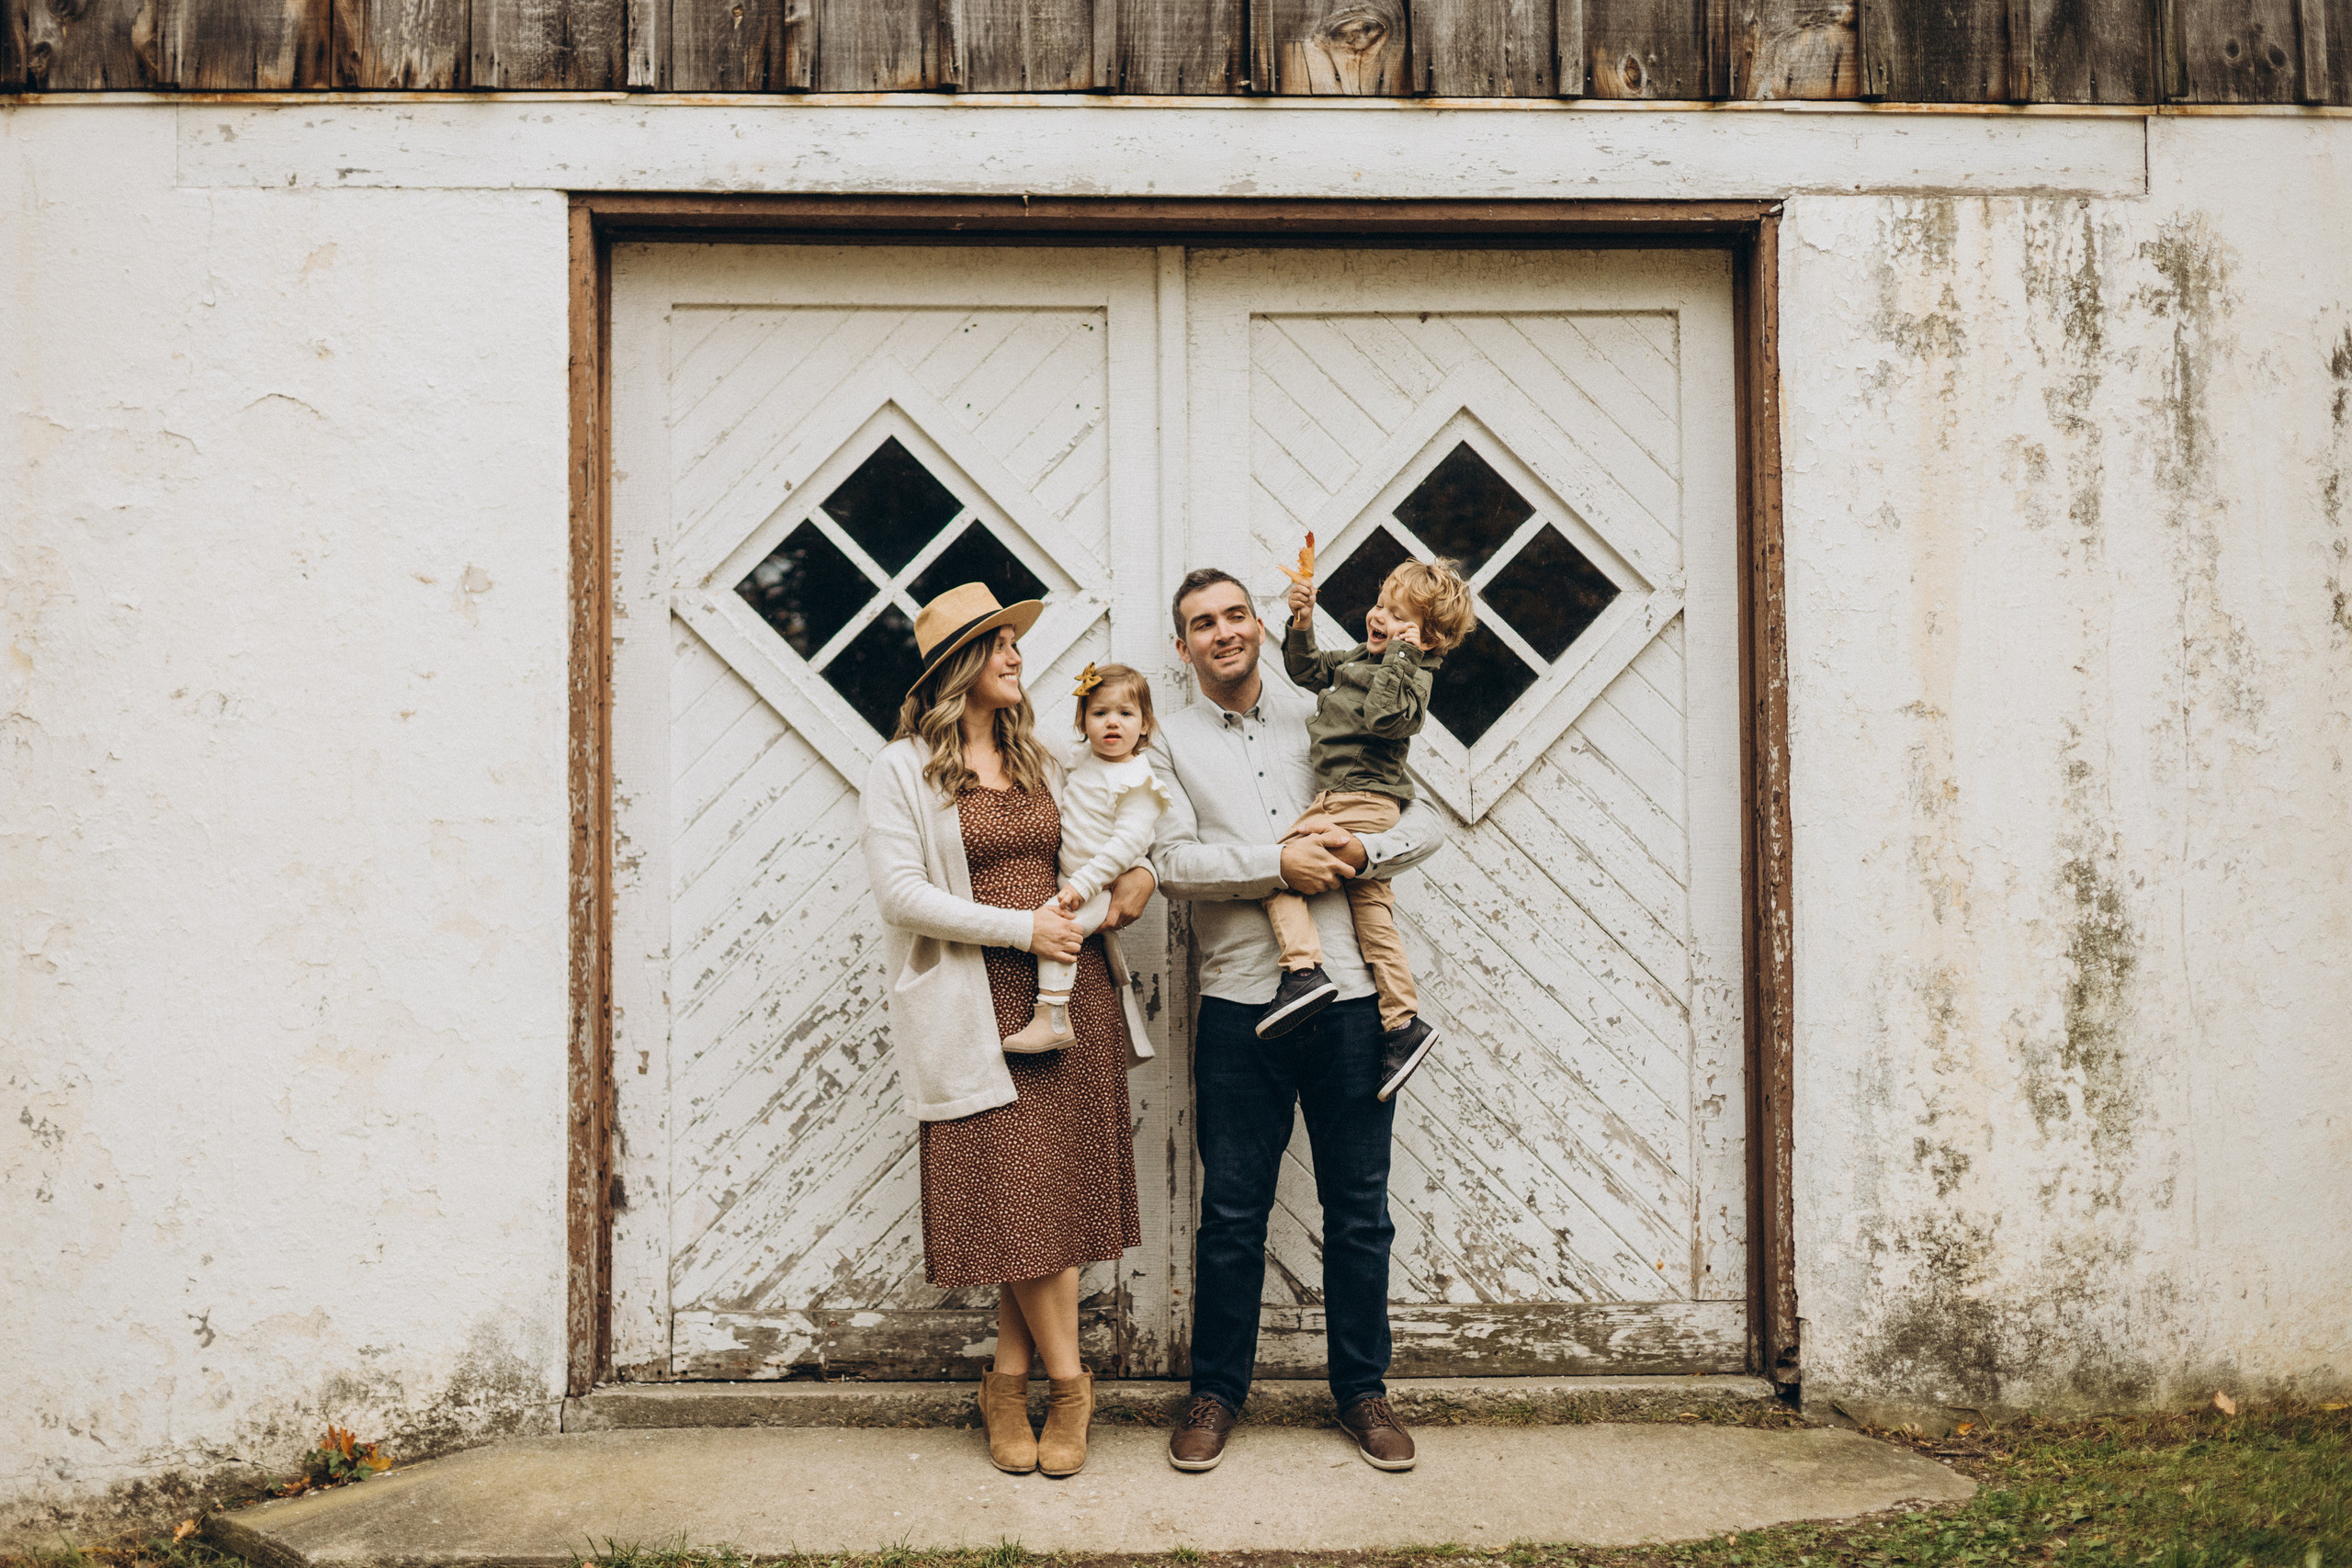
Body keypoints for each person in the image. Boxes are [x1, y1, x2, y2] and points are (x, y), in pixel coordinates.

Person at [1146, 567, 1447, 1476]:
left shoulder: (1326, 703)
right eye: (1204, 623)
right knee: (1232, 1214)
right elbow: (1169, 864)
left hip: (1354, 1003)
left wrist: (1362, 849)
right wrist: (1274, 862)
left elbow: (1418, 819)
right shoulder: (1169, 743)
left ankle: (1363, 1392)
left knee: (1359, 1211)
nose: (1225, 632)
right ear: (1183, 644)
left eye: (1236, 614)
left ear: (1257, 626)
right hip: (1243, 1007)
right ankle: (1215, 1394)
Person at [858, 582, 1158, 1480]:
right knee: (1019, 1199)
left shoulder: (1044, 761)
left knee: (1046, 1204)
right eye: (997, 646)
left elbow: (1116, 840)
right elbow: (900, 895)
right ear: (959, 667)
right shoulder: (902, 769)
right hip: (976, 1002)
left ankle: (1007, 1380)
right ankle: (1071, 1387)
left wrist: (1130, 889)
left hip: (1069, 1000)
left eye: (1014, 645)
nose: (1016, 657)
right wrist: (1020, 928)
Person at [1256, 558, 1475, 1101]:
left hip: (1354, 800)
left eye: (1398, 617)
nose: (1379, 618)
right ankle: (1402, 1023)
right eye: (1381, 606)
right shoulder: (1362, 656)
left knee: (1279, 868)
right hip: (1357, 800)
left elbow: (1382, 718)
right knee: (1374, 916)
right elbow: (1307, 671)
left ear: (1427, 641)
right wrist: (1302, 623)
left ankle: (1303, 972)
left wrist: (1405, 654)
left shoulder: (1411, 678)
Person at [1004, 662, 1170, 1052]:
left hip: (1100, 886)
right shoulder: (1081, 761)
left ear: (1145, 725)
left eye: (1126, 714)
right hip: (1075, 879)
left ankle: (1053, 1015)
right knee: (1059, 927)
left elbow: (1126, 845)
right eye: (1100, 713)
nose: (1112, 723)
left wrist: (1084, 883)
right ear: (1082, 722)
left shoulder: (1139, 782)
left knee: (1061, 930)